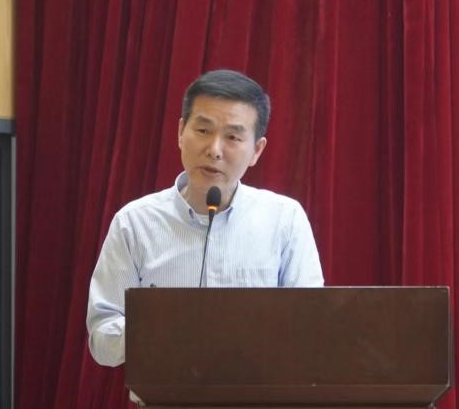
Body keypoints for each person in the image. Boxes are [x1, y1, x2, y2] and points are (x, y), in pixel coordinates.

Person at [86, 69, 324, 368]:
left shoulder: (285, 220)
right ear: (180, 132)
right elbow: (102, 339)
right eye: (203, 130)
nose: (214, 150)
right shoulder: (134, 223)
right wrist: (161, 329)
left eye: (233, 137)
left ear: (256, 150)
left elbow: (311, 328)